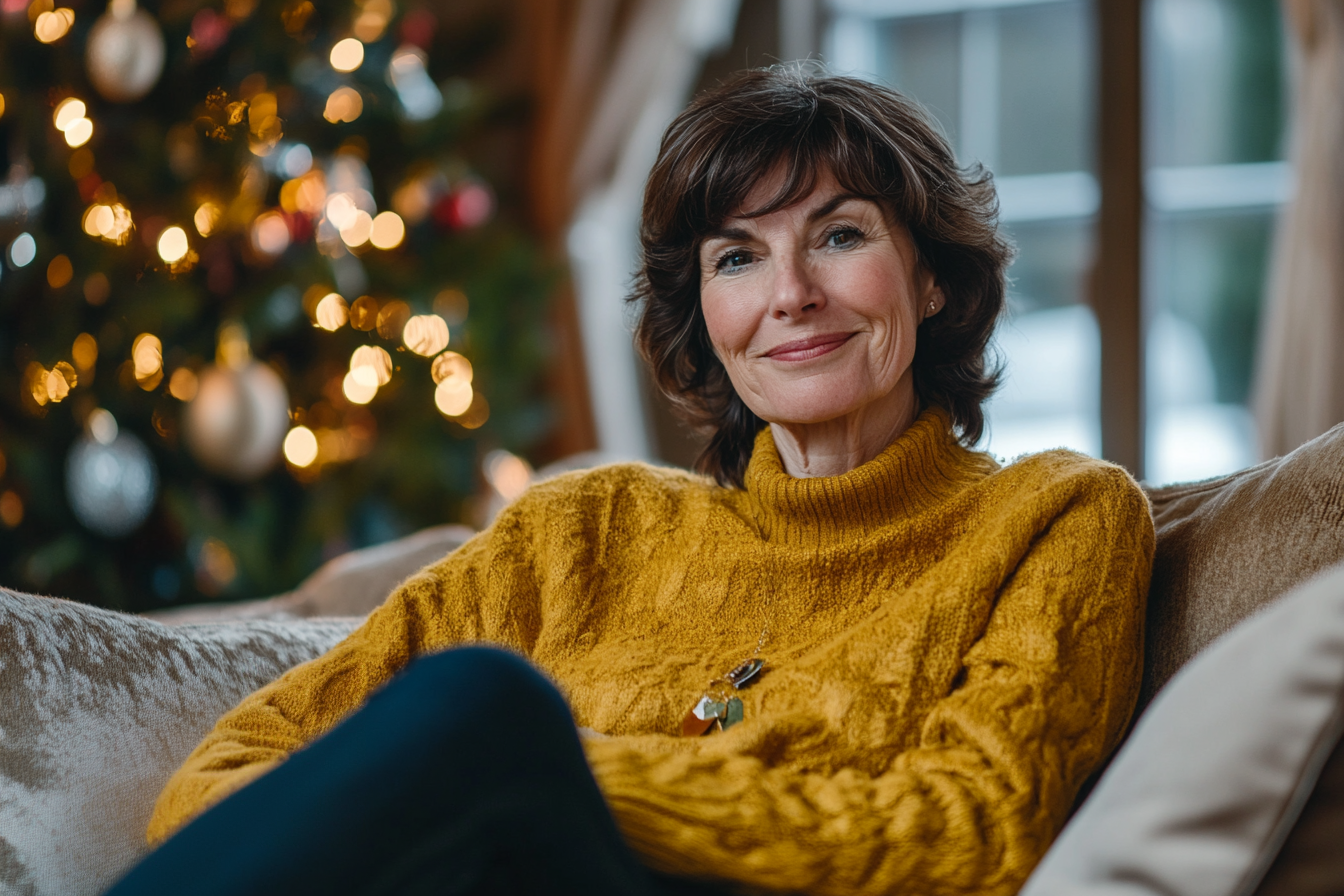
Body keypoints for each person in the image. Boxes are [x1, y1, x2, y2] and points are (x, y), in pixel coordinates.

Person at [107, 66, 1154, 896]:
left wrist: (541, 770)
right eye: (736, 258)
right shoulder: (580, 528)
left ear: (931, 276)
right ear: (701, 310)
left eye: (839, 235)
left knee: (486, 706)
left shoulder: (1061, 515)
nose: (790, 294)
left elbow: (972, 833)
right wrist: (502, 784)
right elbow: (231, 764)